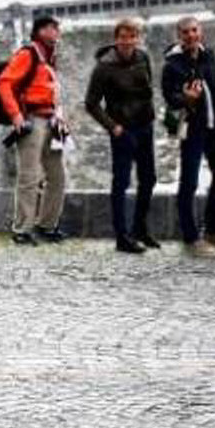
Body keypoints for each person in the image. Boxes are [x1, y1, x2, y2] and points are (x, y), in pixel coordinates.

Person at [0, 14, 69, 245]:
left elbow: (51, 90)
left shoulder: (49, 57)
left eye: (57, 28)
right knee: (29, 176)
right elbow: (3, 83)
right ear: (40, 31)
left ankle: (46, 225)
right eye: (52, 28)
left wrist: (60, 116)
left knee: (57, 176)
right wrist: (16, 115)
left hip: (51, 120)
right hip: (32, 120)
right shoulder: (28, 54)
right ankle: (22, 229)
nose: (56, 32)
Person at [85, 17, 157, 254]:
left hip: (145, 126)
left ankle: (140, 229)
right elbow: (91, 103)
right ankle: (122, 237)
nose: (128, 41)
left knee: (149, 179)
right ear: (116, 39)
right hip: (123, 130)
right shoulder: (104, 67)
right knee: (121, 182)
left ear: (138, 38)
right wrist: (113, 127)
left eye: (132, 37)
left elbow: (148, 89)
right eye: (123, 37)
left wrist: (150, 116)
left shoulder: (143, 57)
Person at [161, 16, 215, 258]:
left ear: (201, 31)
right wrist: (185, 98)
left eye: (194, 30)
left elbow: (214, 89)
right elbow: (170, 98)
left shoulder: (208, 54)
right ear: (179, 36)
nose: (191, 35)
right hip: (192, 130)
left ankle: (213, 231)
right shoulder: (172, 64)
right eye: (185, 32)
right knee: (189, 183)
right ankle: (191, 238)